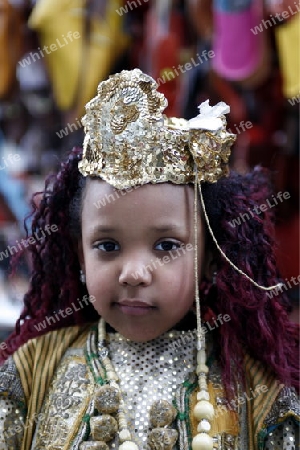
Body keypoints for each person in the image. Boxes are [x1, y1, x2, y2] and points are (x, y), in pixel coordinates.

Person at [0, 69, 298, 450]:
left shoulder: (258, 393)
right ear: (79, 253)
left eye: (166, 246)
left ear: (210, 258)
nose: (135, 273)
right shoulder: (32, 371)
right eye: (107, 246)